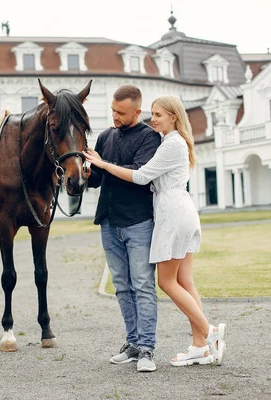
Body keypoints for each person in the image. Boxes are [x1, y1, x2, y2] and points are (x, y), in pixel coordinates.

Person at [84, 95, 227, 367]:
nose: (154, 120)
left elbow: (140, 176)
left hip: (172, 212)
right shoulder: (169, 141)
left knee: (165, 282)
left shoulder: (170, 143)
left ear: (173, 116)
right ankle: (200, 346)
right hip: (178, 208)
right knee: (185, 281)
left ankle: (210, 333)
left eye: (158, 114)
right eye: (152, 114)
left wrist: (102, 164)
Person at [87, 85, 161, 372]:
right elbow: (96, 180)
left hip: (139, 222)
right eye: (113, 111)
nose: (115, 116)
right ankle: (131, 344)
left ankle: (146, 349)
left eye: (121, 112)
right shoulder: (106, 136)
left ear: (136, 111)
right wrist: (87, 171)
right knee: (121, 287)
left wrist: (102, 163)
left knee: (143, 285)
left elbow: (138, 176)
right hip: (108, 221)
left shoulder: (149, 138)